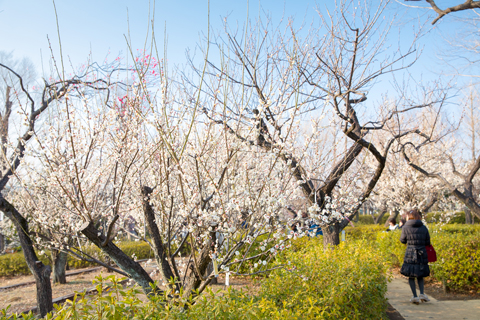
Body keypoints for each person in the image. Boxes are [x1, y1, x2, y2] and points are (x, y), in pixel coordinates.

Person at [400, 209, 431, 304]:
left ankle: (415, 296)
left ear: (409, 217)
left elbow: (402, 240)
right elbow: (427, 242)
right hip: (421, 253)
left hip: (410, 253)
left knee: (411, 275)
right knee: (420, 274)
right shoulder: (424, 227)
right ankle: (422, 293)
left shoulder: (405, 227)